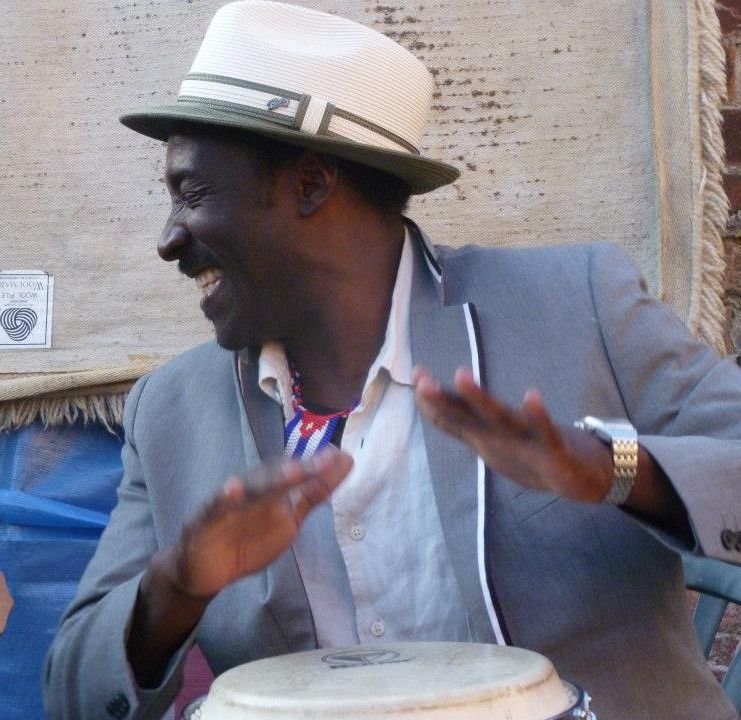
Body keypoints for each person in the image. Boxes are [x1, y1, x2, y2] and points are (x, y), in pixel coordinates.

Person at [43, 2, 741, 719]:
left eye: (192, 194)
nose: (168, 240)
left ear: (311, 184)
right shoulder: (171, 410)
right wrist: (176, 588)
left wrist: (614, 469)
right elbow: (71, 693)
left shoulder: (575, 304)